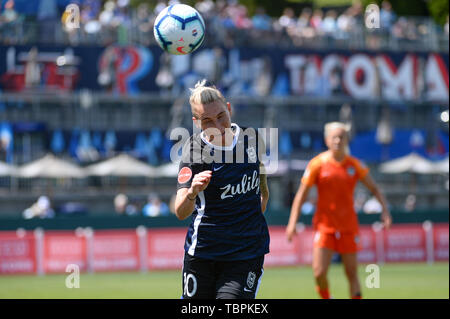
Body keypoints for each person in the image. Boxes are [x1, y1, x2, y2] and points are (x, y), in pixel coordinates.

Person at [174, 79, 270, 299]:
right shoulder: (194, 151)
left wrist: (263, 193)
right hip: (204, 252)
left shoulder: (251, 138)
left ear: (229, 109)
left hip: (245, 252)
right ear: (196, 122)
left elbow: (260, 169)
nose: (217, 126)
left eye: (221, 117)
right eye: (207, 120)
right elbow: (180, 211)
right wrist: (192, 192)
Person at [286, 122, 392, 299]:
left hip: (348, 227)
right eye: (334, 137)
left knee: (351, 274)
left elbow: (374, 189)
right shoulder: (317, 164)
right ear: (327, 140)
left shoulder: (354, 164)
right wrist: (292, 222)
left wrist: (385, 212)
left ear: (346, 140)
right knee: (319, 273)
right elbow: (301, 196)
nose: (338, 140)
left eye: (341, 137)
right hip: (324, 227)